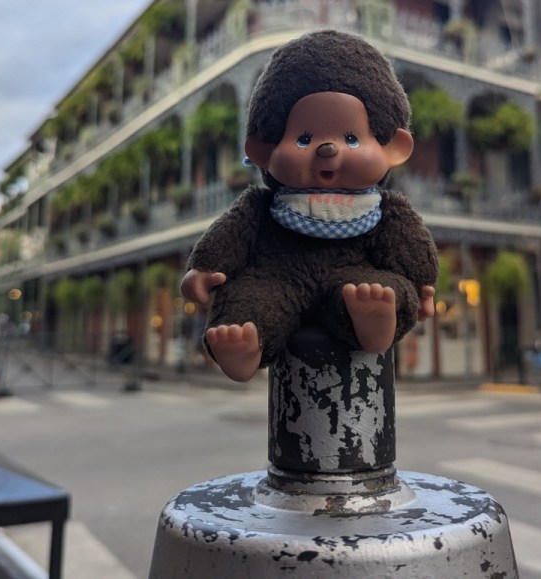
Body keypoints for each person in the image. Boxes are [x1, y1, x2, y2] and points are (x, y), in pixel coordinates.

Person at [181, 30, 438, 382]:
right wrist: (204, 268)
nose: (327, 149)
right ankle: (244, 346)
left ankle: (374, 322)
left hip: (355, 280)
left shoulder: (386, 210)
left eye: (351, 138)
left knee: (383, 289)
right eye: (304, 139)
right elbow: (232, 232)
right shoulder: (260, 206)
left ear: (392, 147)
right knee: (248, 298)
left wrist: (422, 285)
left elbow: (408, 244)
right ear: (264, 152)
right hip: (277, 278)